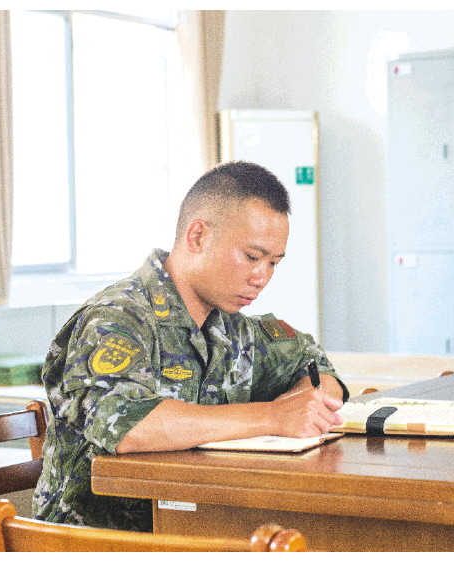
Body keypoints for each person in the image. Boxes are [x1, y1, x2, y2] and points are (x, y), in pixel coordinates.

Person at [32, 161, 349, 532]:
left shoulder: (231, 326)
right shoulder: (117, 319)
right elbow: (125, 425)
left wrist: (304, 406)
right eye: (251, 257)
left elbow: (315, 365)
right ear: (197, 236)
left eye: (273, 263)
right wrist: (273, 417)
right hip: (96, 542)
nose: (261, 277)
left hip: (194, 524)